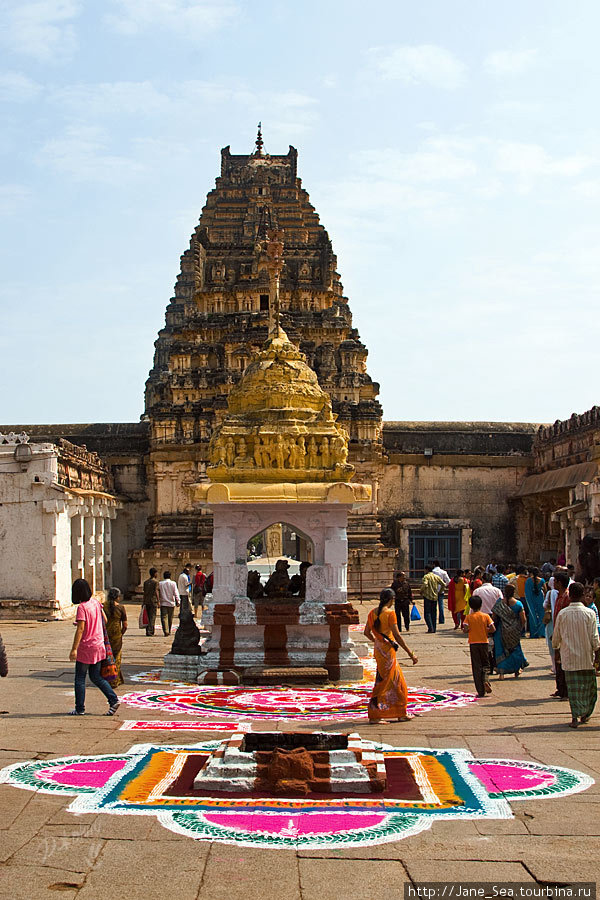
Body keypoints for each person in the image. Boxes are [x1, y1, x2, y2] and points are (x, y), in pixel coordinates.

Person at [364, 588, 418, 722]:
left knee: (388, 680)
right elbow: (397, 635)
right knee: (388, 682)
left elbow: (366, 632)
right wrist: (410, 653)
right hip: (387, 651)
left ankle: (399, 712)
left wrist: (377, 640)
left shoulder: (372, 613)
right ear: (391, 600)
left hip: (379, 649)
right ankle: (377, 714)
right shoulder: (390, 613)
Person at [68, 579, 119, 716]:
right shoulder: (96, 603)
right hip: (99, 644)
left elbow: (81, 629)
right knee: (96, 677)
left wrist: (74, 649)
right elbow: (105, 620)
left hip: (86, 646)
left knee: (80, 678)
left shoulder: (82, 607)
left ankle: (80, 708)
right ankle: (113, 699)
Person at [552, 581, 600, 728]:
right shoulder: (589, 613)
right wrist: (597, 653)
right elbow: (595, 638)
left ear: (570, 595)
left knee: (573, 690)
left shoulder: (563, 614)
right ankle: (585, 713)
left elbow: (556, 637)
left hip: (569, 659)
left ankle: (575, 716)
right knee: (588, 688)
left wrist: (556, 651)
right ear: (582, 596)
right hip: (586, 658)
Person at [463, 594, 495, 697]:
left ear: (471, 606)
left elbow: (466, 629)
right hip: (484, 642)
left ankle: (480, 690)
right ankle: (485, 679)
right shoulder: (485, 616)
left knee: (476, 666)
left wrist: (466, 630)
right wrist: (486, 631)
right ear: (481, 605)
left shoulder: (468, 617)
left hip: (473, 643)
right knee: (485, 664)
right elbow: (493, 628)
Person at [492, 585, 528, 679]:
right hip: (514, 631)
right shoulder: (518, 604)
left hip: (501, 630)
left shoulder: (499, 603)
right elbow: (523, 619)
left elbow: (494, 617)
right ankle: (516, 670)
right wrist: (520, 629)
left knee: (501, 650)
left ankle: (501, 673)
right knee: (515, 650)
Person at [549, 571, 571, 699]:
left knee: (563, 661)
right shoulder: (558, 596)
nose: (554, 583)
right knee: (558, 661)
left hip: (564, 633)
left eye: (556, 581)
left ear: (560, 583)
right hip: (557, 631)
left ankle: (565, 690)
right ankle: (560, 688)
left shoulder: (566, 597)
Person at [102, 587, 127, 686]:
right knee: (116, 658)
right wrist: (121, 633)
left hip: (105, 634)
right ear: (118, 597)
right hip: (116, 635)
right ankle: (114, 680)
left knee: (106, 657)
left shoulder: (103, 606)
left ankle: (105, 677)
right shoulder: (121, 608)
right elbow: (125, 625)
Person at [421, 565, 444, 633]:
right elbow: (443, 584)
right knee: (434, 613)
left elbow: (425, 584)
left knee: (427, 613)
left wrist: (421, 590)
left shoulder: (426, 576)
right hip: (435, 596)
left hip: (427, 596)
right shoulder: (436, 577)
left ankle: (430, 628)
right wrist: (440, 591)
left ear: (427, 570)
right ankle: (434, 628)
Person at [524, 568, 546, 638]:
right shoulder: (542, 580)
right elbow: (545, 590)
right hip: (540, 599)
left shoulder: (528, 581)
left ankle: (534, 633)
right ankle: (541, 632)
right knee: (541, 615)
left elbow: (526, 592)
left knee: (532, 615)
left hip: (531, 600)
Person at [159, 570, 180, 636]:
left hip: (163, 603)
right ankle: (169, 630)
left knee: (164, 617)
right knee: (170, 618)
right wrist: (178, 601)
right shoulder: (173, 583)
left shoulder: (160, 583)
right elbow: (176, 593)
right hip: (171, 603)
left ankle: (165, 630)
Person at [432, 560, 450, 625]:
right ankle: (441, 620)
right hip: (441, 590)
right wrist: (444, 585)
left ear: (433, 564)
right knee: (441, 605)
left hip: (434, 590)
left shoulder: (432, 572)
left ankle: (433, 619)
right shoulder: (443, 572)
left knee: (433, 606)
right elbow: (448, 581)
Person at [142, 567, 160, 636]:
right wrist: (158, 601)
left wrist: (143, 602)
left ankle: (147, 630)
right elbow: (156, 591)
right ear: (155, 574)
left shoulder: (146, 582)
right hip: (153, 601)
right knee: (152, 616)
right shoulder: (155, 582)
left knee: (147, 616)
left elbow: (144, 593)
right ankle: (151, 631)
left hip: (147, 601)